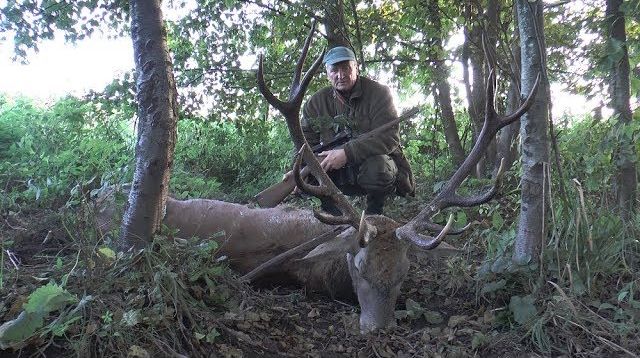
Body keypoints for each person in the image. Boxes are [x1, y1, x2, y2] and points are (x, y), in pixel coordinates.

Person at [301, 46, 414, 215]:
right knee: (308, 175)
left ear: (356, 67)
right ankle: (335, 217)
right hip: (337, 173)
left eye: (346, 68)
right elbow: (304, 145)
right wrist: (297, 171)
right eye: (335, 70)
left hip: (370, 168)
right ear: (327, 73)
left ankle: (374, 213)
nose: (341, 75)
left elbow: (389, 138)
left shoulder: (379, 93)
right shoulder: (315, 103)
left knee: (379, 167)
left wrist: (347, 153)